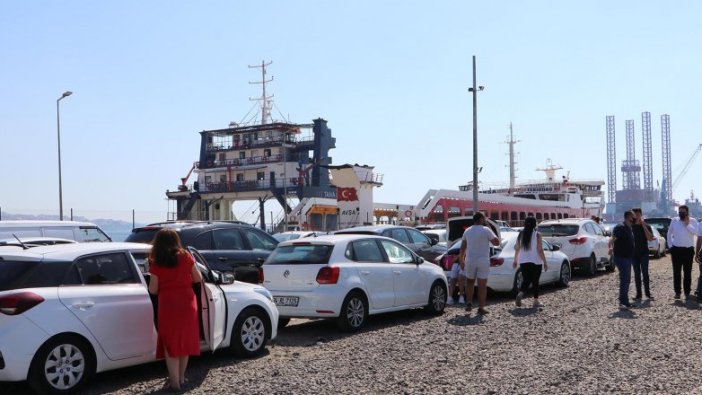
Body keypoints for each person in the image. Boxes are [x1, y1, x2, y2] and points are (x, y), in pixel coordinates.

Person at [148, 229, 203, 392]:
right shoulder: (186, 256)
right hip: (187, 302)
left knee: (170, 343)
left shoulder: (156, 260)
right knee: (184, 342)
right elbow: (198, 278)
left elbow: (153, 289)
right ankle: (180, 378)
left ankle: (174, 382)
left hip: (168, 304)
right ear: (176, 241)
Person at [459, 212, 500, 315]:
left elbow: (463, 246)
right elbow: (497, 243)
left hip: (470, 260)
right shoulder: (486, 230)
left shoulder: (467, 231)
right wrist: (490, 227)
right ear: (481, 219)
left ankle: (469, 302)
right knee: (482, 285)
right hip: (483, 260)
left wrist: (461, 259)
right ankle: (481, 307)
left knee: (470, 282)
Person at [513, 216, 548, 308]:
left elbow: (517, 248)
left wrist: (515, 260)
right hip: (535, 260)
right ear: (534, 224)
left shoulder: (521, 234)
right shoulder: (537, 235)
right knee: (535, 281)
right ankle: (536, 301)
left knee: (526, 279)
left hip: (523, 260)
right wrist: (545, 262)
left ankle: (521, 292)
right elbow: (540, 250)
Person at [667, 205, 699, 300]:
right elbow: (669, 234)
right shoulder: (674, 220)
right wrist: (670, 246)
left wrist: (687, 224)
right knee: (676, 272)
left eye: (683, 212)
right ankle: (677, 292)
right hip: (676, 250)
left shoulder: (693, 221)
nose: (681, 213)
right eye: (680, 212)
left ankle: (687, 293)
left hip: (688, 250)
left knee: (687, 273)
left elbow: (696, 233)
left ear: (687, 212)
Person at [609, 211, 635, 309]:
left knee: (627, 279)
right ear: (628, 217)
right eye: (633, 217)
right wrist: (610, 247)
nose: (634, 218)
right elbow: (613, 239)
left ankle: (625, 301)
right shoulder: (620, 227)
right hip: (621, 257)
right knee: (624, 279)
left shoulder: (629, 228)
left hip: (628, 257)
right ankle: (622, 302)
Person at [631, 208, 655, 301]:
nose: (636, 216)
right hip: (633, 254)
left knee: (645, 273)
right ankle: (638, 294)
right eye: (634, 215)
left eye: (638, 215)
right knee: (637, 274)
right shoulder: (630, 227)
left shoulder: (647, 226)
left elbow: (650, 238)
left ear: (641, 215)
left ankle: (648, 294)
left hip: (644, 253)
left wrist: (644, 226)